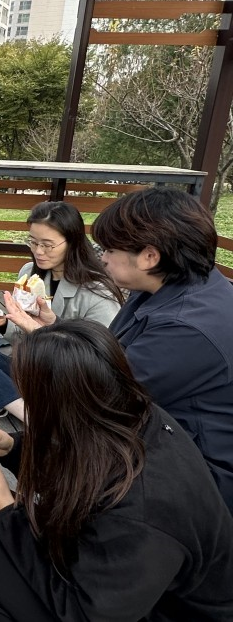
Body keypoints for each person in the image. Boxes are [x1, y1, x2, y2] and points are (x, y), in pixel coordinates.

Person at [0, 321, 233, 621]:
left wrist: (5, 504)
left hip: (145, 611)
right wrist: (12, 448)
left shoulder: (147, 509)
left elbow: (86, 612)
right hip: (100, 565)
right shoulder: (125, 412)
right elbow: (79, 458)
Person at [92, 187, 233, 513]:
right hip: (160, 437)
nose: (103, 258)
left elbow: (106, 396)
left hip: (198, 476)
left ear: (150, 256)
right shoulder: (172, 283)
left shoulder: (187, 328)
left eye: (109, 249)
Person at [0, 201, 123, 421]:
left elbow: (97, 361)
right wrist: (5, 322)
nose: (38, 251)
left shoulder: (97, 292)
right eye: (33, 242)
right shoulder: (29, 273)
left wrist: (49, 326)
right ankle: (27, 413)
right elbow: (20, 335)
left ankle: (8, 398)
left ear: (72, 242)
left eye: (47, 245)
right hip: (31, 369)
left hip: (67, 381)